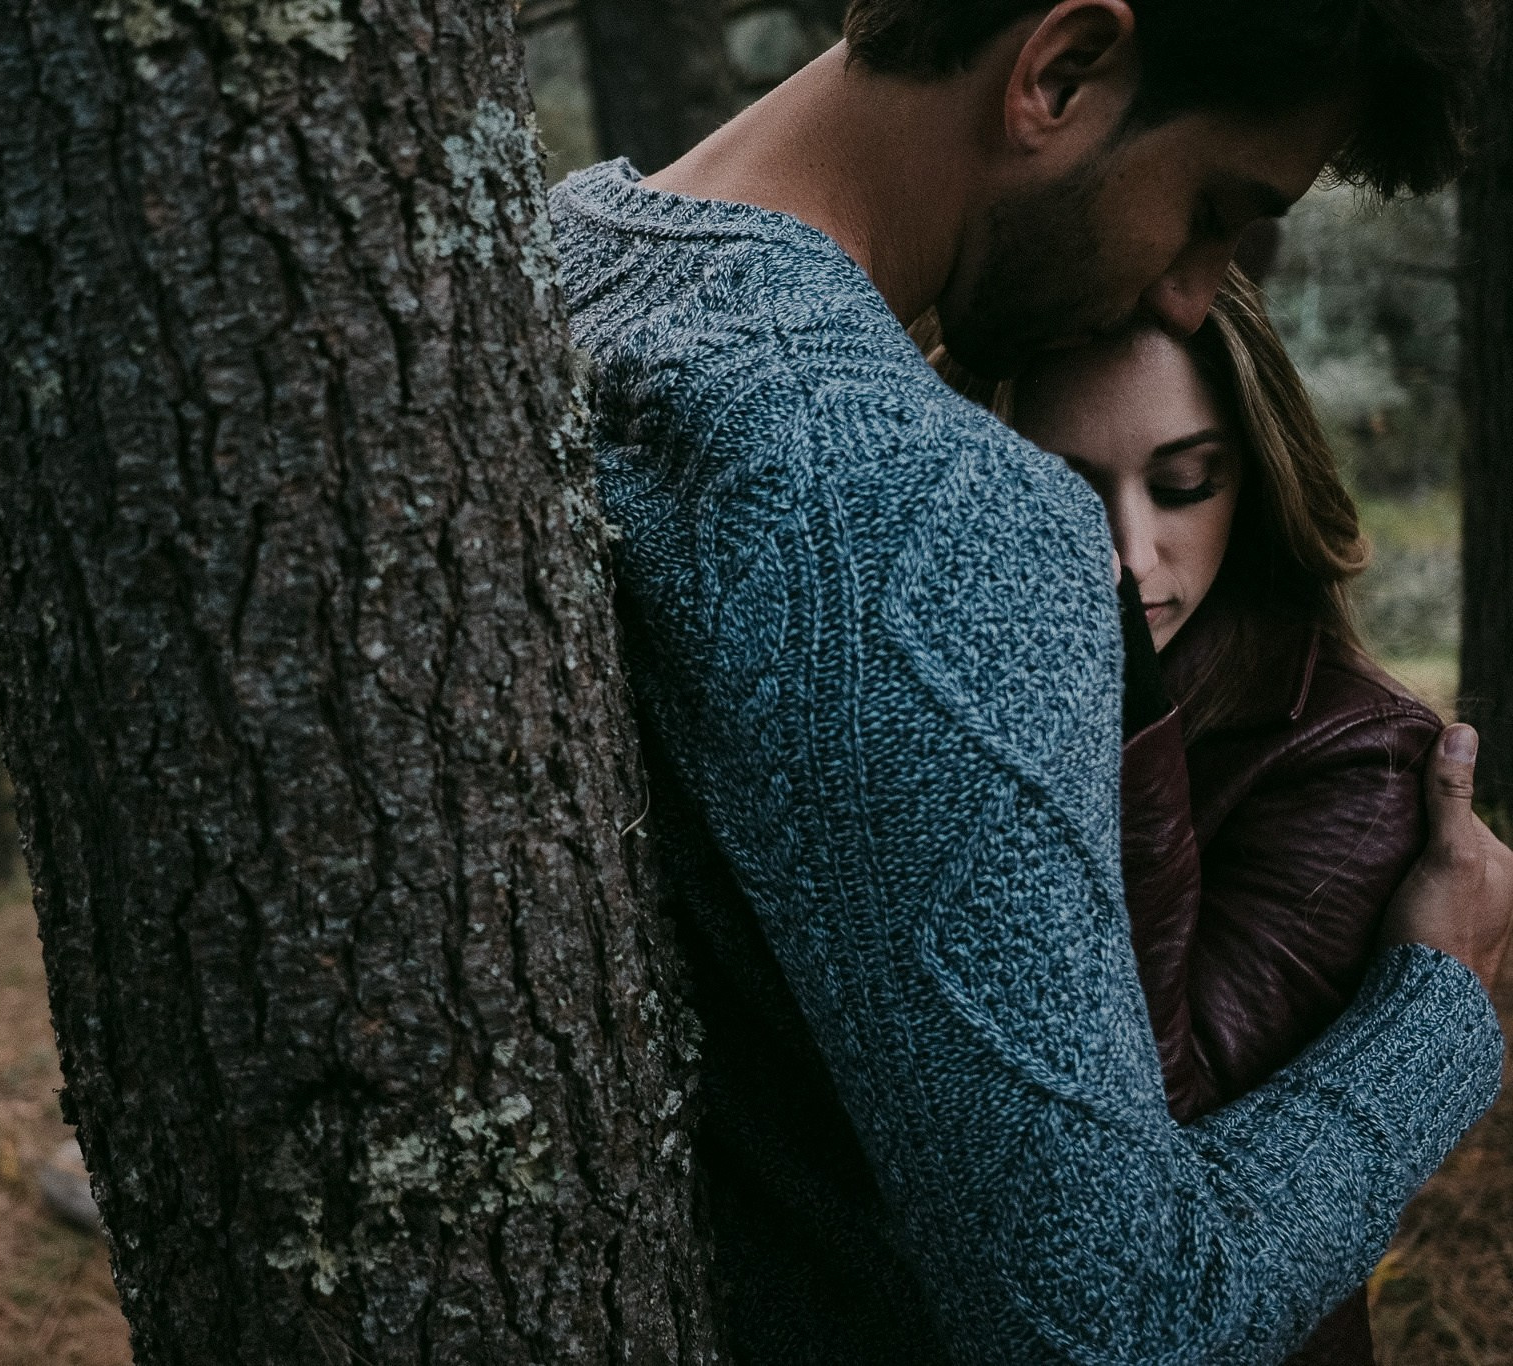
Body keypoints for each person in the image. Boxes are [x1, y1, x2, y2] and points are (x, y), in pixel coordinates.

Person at [544, 2, 1513, 1360]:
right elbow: (1112, 1327)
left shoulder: (554, 266)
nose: (1192, 293)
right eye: (1209, 210)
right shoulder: (924, 510)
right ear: (1059, 72)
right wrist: (1441, 1005)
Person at [949, 266, 1439, 1363]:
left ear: (1253, 481)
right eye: (1065, 489)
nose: (1129, 555)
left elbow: (1155, 1173)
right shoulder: (951, 686)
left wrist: (1127, 717)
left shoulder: (1348, 755)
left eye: (1183, 485)